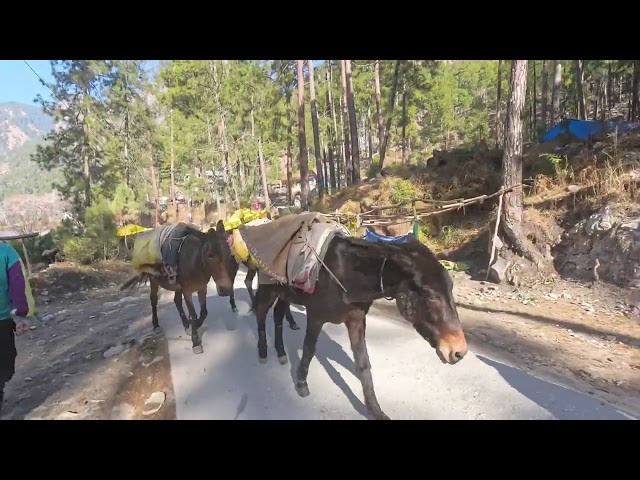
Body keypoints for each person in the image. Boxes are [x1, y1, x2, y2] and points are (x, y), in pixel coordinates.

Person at [0, 241, 36, 418]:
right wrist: (22, 315)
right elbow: (18, 284)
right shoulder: (7, 253)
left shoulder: (7, 253)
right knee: (3, 368)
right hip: (2, 322)